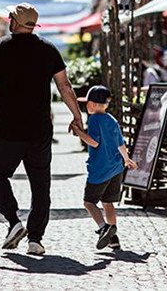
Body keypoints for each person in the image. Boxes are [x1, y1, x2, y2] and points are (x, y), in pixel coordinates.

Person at [0, 2, 84, 255]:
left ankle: (14, 222)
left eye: (10, 17)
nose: (8, 19)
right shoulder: (49, 50)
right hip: (39, 130)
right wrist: (77, 116)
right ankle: (35, 239)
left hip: (8, 129)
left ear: (14, 22)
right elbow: (65, 86)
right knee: (41, 186)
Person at [71, 86, 137, 250]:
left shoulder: (94, 120)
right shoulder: (111, 119)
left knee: (89, 202)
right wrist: (127, 159)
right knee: (108, 202)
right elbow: (120, 143)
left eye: (87, 104)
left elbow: (94, 142)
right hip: (116, 168)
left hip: (100, 170)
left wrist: (78, 131)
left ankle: (104, 227)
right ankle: (113, 238)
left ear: (92, 105)